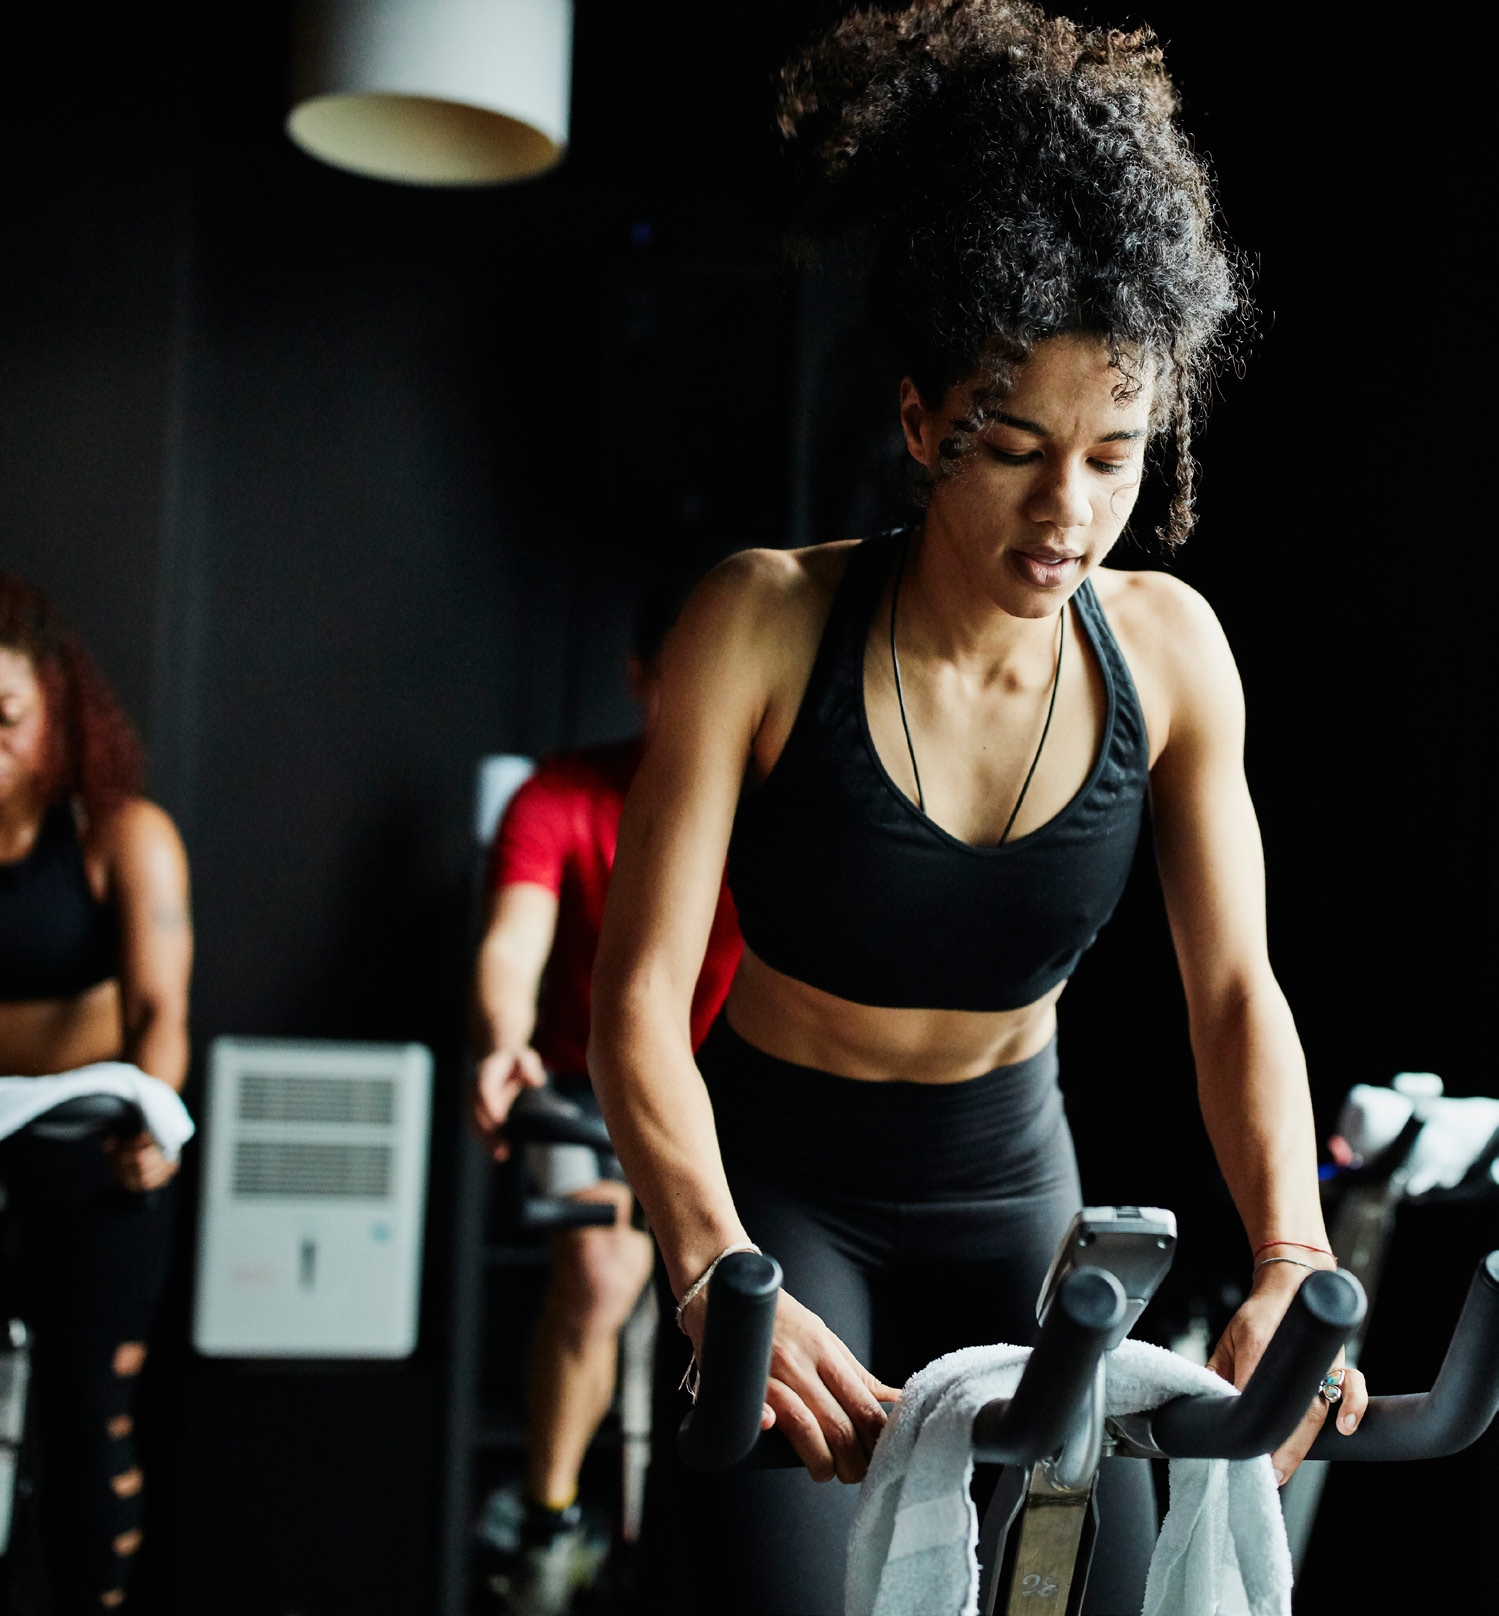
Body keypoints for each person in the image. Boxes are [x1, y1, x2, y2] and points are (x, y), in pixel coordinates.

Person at [588, 4, 1372, 1611]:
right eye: (1013, 446)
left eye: (1112, 454)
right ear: (918, 422)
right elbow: (636, 1003)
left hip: (1014, 1177)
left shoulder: (1168, 651)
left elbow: (1234, 993)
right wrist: (703, 1258)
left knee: (1103, 1581)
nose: (1064, 511)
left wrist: (1286, 1248)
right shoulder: (758, 622)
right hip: (784, 1182)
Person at [469, 579, 742, 1613]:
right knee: (596, 1272)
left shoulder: (772, 806)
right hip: (583, 1082)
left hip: (730, 1091)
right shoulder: (561, 795)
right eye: (684, 677)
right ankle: (547, 1522)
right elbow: (511, 944)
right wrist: (499, 1041)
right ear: (639, 679)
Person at [0, 574, 191, 1612]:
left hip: (89, 1146)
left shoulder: (124, 835)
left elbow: (161, 1011)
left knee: (87, 1408)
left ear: (56, 719)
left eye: (4, 717)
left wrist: (151, 1119)